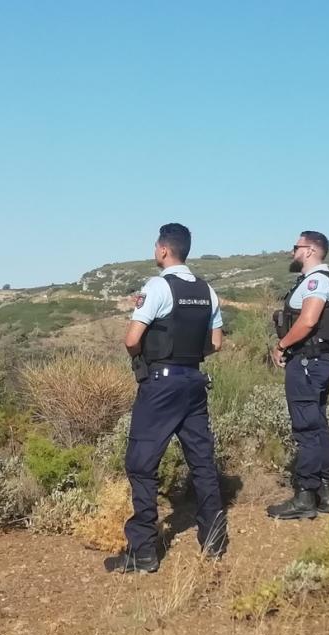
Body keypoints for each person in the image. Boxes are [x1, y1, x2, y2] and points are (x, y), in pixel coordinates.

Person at [107, 223, 228, 573]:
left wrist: (151, 354)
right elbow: (216, 343)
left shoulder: (158, 286)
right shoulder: (208, 291)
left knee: (142, 464)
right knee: (202, 463)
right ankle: (214, 539)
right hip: (193, 382)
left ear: (163, 250)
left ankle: (143, 551)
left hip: (161, 386)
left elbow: (132, 339)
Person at [267, 230, 329, 520]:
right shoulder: (324, 281)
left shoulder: (316, 282)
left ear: (311, 250)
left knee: (306, 429)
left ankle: (305, 496)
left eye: (296, 247)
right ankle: (324, 492)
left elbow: (308, 320)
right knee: (318, 424)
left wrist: (281, 345)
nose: (292, 252)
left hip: (307, 364)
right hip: (319, 362)